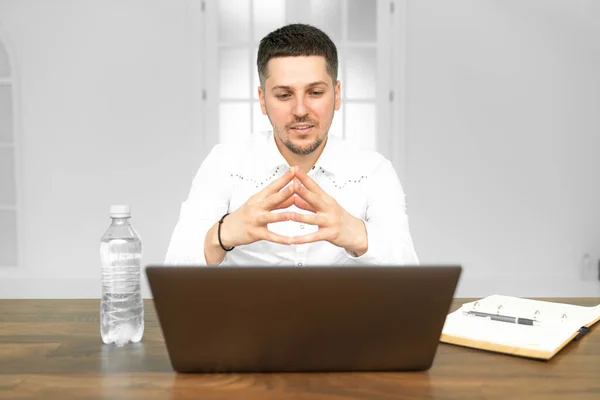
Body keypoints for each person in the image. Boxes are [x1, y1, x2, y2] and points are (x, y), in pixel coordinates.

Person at [165, 23, 419, 267]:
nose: (300, 110)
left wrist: (359, 235)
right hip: (247, 311)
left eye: (315, 92)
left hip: (343, 312)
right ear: (263, 100)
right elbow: (174, 270)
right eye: (284, 95)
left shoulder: (373, 170)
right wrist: (222, 234)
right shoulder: (224, 164)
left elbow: (410, 276)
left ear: (337, 94)